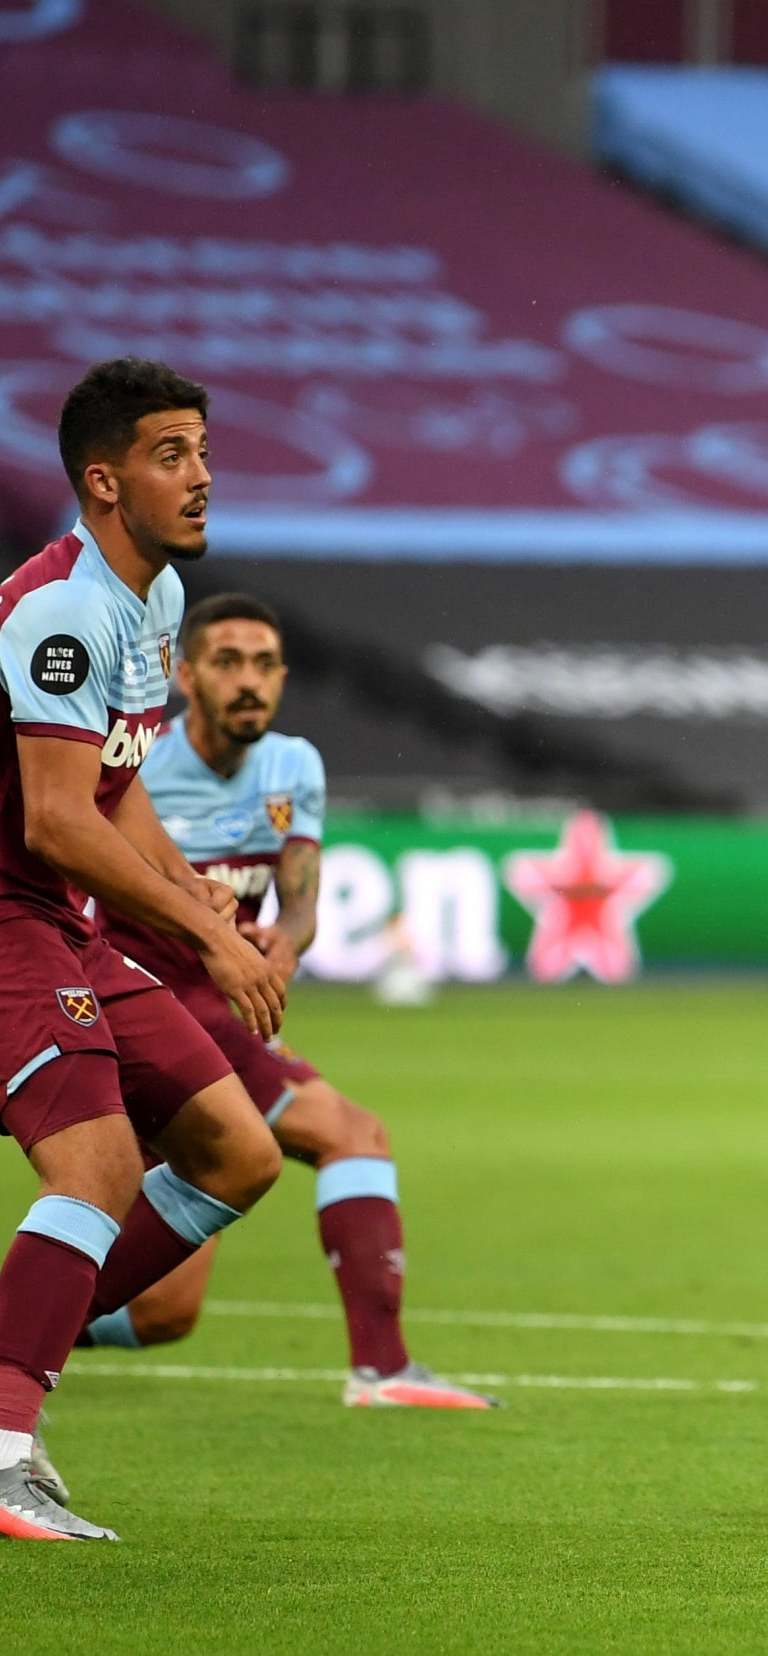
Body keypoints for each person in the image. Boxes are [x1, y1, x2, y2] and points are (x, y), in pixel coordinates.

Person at [70, 593, 495, 1418]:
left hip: (217, 1017)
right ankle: (383, 1367)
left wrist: (287, 943)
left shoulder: (293, 765)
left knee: (163, 1312)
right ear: (184, 675)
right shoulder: (138, 765)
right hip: (144, 1005)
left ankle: (25, 1332)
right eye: (228, 662)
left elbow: (299, 896)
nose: (249, 682)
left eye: (265, 664)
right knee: (353, 1131)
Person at [0, 359, 290, 1540]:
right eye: (174, 455)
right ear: (104, 480)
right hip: (8, 917)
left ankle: (14, 1350)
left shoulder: (155, 599)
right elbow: (56, 817)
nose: (203, 477)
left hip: (65, 915)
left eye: (206, 452)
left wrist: (209, 914)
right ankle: (6, 1441)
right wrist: (203, 941)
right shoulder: (58, 607)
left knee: (238, 1152)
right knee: (100, 1168)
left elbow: (117, 797)